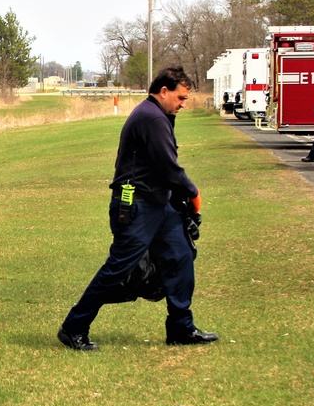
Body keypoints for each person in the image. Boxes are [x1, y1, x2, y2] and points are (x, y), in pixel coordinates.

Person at [58, 66, 218, 350]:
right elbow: (169, 168)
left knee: (180, 256)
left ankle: (181, 328)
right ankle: (74, 327)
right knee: (118, 270)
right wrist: (193, 193)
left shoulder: (159, 115)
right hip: (135, 205)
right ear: (164, 91)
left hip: (158, 204)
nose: (183, 104)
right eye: (180, 98)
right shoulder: (152, 118)